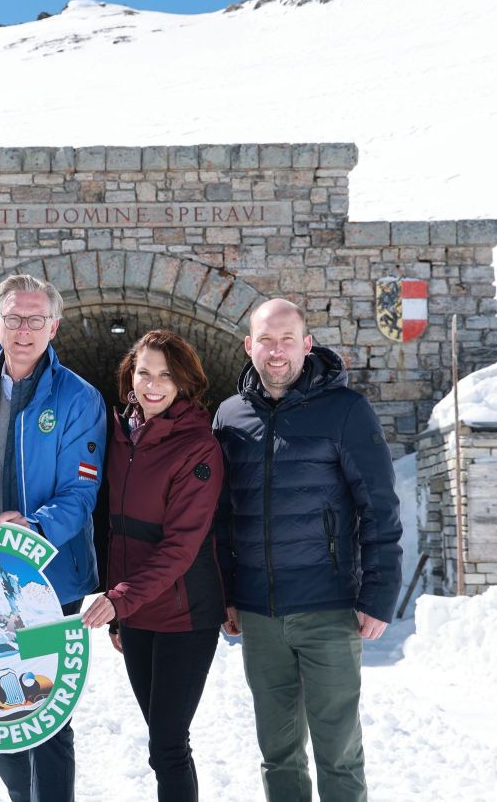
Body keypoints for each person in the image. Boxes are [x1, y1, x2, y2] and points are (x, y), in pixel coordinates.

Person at [214, 298, 402, 802]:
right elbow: (221, 518)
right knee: (277, 754)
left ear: (307, 344)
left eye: (287, 340)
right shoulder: (230, 417)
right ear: (249, 345)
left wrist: (379, 595)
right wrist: (225, 593)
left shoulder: (345, 411)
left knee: (338, 752)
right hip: (258, 614)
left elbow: (379, 507)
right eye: (266, 341)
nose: (277, 352)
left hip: (328, 608)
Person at [0, 274, 107, 802]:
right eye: (14, 318)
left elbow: (79, 494)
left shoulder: (77, 398)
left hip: (47, 582)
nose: (23, 329)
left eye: (35, 319)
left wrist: (34, 531)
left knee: (43, 712)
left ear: (54, 326)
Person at [81, 330, 226, 802]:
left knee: (167, 744)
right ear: (130, 376)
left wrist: (118, 600)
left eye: (166, 375)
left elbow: (180, 546)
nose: (154, 384)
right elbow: (111, 527)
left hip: (184, 615)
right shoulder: (119, 436)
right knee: (160, 741)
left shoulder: (198, 448)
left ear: (184, 382)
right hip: (137, 613)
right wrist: (119, 614)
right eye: (145, 372)